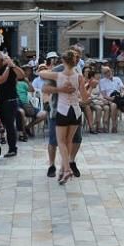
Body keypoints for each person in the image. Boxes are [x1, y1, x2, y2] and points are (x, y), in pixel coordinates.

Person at [39, 49, 88, 185]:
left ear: (63, 61)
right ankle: (62, 170)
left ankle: (66, 170)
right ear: (75, 61)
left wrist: (61, 88)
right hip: (76, 112)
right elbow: (85, 98)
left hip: (63, 111)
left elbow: (40, 73)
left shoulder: (58, 75)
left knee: (61, 142)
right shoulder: (79, 76)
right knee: (68, 142)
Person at [0, 52, 26, 158]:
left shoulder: (10, 67)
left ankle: (12, 149)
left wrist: (12, 65)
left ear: (1, 60)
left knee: (10, 125)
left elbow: (21, 75)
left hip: (10, 100)